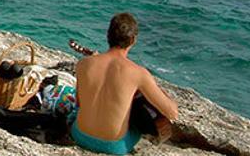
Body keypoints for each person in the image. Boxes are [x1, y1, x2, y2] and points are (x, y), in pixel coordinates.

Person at [71, 13, 179, 155]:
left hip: (80, 135)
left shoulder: (83, 64)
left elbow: (79, 103)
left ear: (108, 35)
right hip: (114, 147)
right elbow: (172, 113)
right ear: (133, 40)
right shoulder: (138, 73)